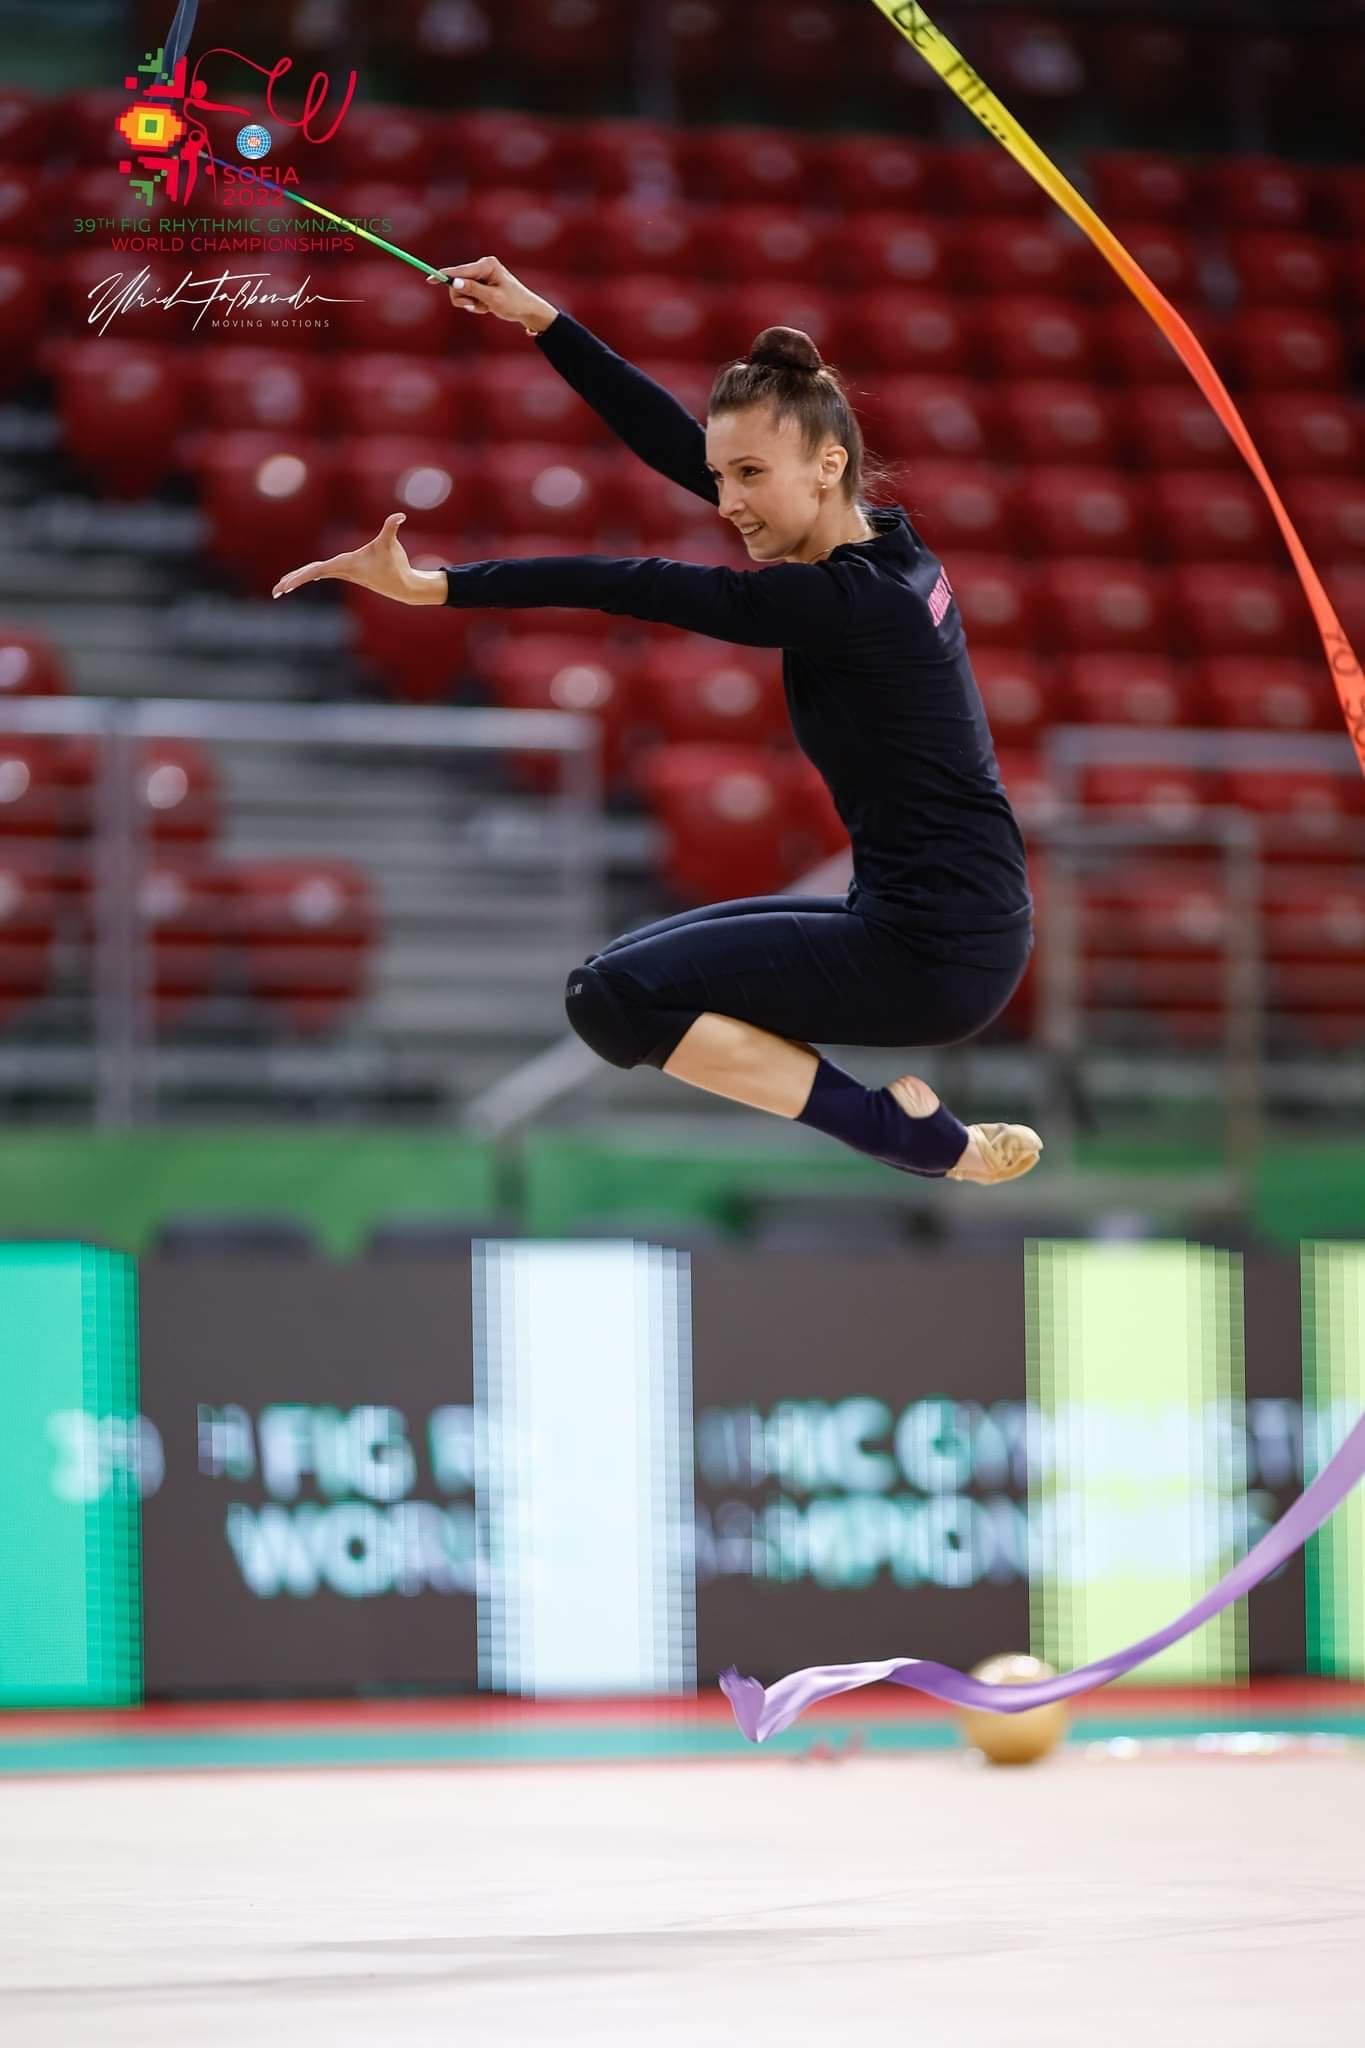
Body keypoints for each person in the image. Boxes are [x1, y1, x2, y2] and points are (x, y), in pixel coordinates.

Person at [272, 257, 1041, 1186]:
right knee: (620, 971)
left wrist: (439, 589)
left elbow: (633, 583)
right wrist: (540, 319)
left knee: (612, 1000)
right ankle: (925, 1137)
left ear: (828, 465)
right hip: (944, 925)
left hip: (933, 956)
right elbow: (671, 442)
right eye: (720, 477)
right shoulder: (893, 549)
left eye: (748, 475)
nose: (727, 503)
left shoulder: (844, 603)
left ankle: (907, 1137)